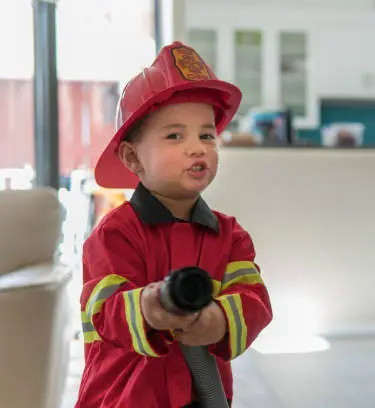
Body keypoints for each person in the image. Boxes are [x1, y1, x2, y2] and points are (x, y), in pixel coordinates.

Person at [75, 41, 273, 408]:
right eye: (174, 136)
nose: (197, 148)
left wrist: (220, 319)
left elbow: (255, 301)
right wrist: (150, 306)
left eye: (207, 135)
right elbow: (105, 310)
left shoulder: (230, 236)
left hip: (204, 398)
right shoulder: (114, 234)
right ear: (133, 157)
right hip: (125, 399)